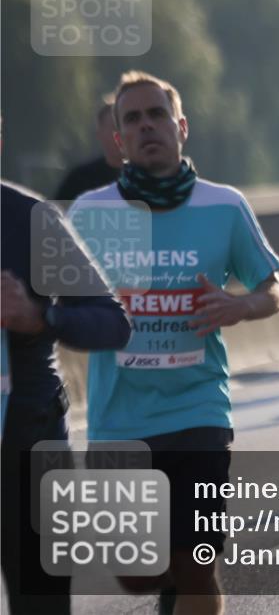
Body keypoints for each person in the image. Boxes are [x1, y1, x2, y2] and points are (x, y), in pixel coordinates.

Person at [71, 71, 279, 615]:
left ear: (181, 127)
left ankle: (187, 572)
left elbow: (274, 288)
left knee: (196, 563)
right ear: (118, 139)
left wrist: (243, 305)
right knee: (137, 574)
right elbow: (57, 307)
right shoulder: (92, 214)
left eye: (157, 114)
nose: (147, 126)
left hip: (198, 408)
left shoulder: (224, 205)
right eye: (133, 119)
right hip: (119, 417)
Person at [2, 176, 132, 615]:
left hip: (27, 441)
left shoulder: (31, 219)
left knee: (42, 604)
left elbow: (112, 322)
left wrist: (40, 317)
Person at [54, 97, 124, 202]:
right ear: (99, 134)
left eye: (123, 127)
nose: (120, 134)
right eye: (114, 128)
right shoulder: (80, 179)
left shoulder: (144, 177)